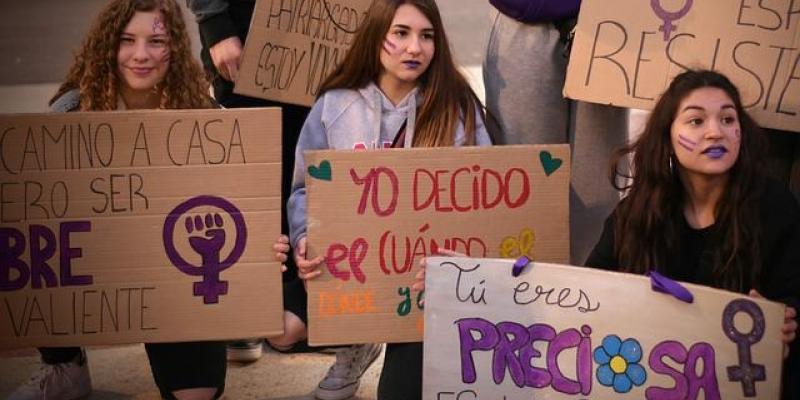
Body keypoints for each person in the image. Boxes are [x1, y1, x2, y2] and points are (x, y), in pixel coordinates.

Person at [9, 1, 225, 399]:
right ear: (108, 45)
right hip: (98, 264)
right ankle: (64, 363)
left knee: (196, 395)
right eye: (127, 40)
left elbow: (238, 203)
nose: (141, 54)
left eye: (156, 41)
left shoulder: (204, 117)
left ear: (174, 49)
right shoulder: (71, 113)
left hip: (172, 275)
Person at [285, 0, 492, 399]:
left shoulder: (459, 108)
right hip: (351, 269)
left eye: (426, 36)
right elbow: (302, 190)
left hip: (425, 281)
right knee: (281, 328)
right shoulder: (334, 105)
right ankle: (355, 346)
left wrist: (461, 263)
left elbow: (482, 205)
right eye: (401, 33)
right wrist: (303, 239)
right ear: (376, 37)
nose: (415, 48)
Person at [585, 69, 799, 399]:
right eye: (696, 121)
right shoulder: (634, 216)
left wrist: (783, 319)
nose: (716, 132)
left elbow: (793, 294)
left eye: (728, 119)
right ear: (667, 137)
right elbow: (589, 293)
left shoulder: (777, 208)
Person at [184, 0, 312, 364]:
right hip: (244, 28)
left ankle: (295, 307)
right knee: (249, 165)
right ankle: (245, 306)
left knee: (308, 160)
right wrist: (215, 24)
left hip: (325, 30)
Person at [483, 0, 629, 264]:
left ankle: (589, 294)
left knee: (598, 190)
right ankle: (523, 296)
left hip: (607, 23)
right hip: (523, 22)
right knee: (521, 186)